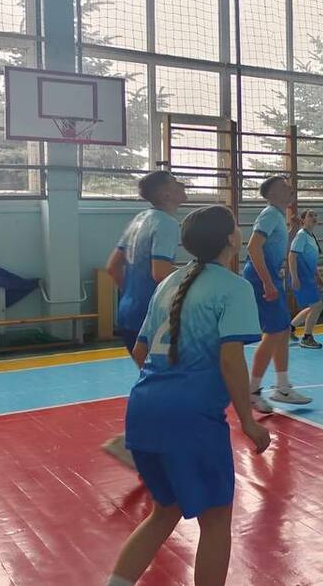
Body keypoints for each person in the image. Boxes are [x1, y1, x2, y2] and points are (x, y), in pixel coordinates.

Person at [106, 205, 271, 586]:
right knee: (216, 520)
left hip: (143, 409)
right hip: (191, 419)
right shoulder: (234, 288)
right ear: (231, 239)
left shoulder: (169, 283)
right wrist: (248, 421)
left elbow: (140, 351)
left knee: (165, 512)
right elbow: (231, 359)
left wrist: (168, 385)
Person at [102, 170, 187, 467]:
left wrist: (131, 295)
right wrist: (195, 277)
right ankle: (134, 442)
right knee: (167, 383)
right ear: (165, 193)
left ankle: (146, 444)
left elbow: (112, 267)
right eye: (175, 182)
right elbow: (160, 272)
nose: (182, 185)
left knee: (157, 382)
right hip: (151, 317)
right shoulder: (166, 223)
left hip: (129, 312)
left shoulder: (139, 220)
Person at [242, 176, 311, 412]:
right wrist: (267, 282)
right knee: (273, 333)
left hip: (269, 276)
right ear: (271, 194)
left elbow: (277, 245)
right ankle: (252, 391)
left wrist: (293, 230)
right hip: (261, 277)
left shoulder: (278, 216)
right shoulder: (270, 214)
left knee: (281, 331)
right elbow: (253, 247)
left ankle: (282, 387)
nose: (290, 188)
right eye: (283, 186)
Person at [288, 209, 323, 349]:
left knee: (314, 306)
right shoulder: (301, 235)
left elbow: (312, 260)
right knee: (317, 306)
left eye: (315, 215)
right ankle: (307, 338)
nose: (314, 217)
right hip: (301, 277)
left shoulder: (311, 236)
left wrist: (318, 276)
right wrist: (294, 277)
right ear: (303, 220)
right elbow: (292, 256)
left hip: (309, 277)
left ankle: (291, 327)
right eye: (310, 215)